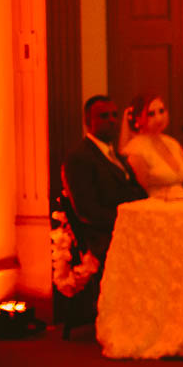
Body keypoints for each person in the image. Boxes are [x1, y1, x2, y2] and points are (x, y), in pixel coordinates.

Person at [62, 95, 149, 264]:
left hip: (131, 229)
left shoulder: (116, 155)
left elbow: (137, 192)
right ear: (88, 121)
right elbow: (87, 211)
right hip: (104, 238)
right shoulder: (79, 157)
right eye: (104, 116)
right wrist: (128, 221)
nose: (112, 120)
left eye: (114, 115)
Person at [120, 94, 183, 198]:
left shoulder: (171, 143)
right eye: (151, 114)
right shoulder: (136, 150)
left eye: (161, 111)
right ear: (138, 118)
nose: (159, 118)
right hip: (155, 206)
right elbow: (140, 192)